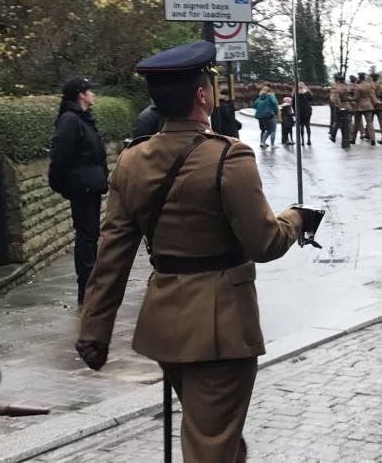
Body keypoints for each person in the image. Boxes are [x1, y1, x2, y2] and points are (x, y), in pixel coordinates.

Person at [75, 41, 317, 462]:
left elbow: (112, 255)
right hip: (220, 326)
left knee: (216, 432)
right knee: (212, 443)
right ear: (202, 96)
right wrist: (297, 217)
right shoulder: (229, 156)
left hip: (166, 322)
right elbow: (265, 243)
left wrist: (94, 331)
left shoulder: (132, 160)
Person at [49, 77, 109, 305]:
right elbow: (60, 156)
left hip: (90, 186)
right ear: (80, 94)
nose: (93, 94)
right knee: (86, 237)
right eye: (90, 90)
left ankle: (91, 285)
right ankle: (86, 288)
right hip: (81, 187)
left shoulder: (83, 119)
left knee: (91, 235)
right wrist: (59, 183)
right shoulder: (70, 120)